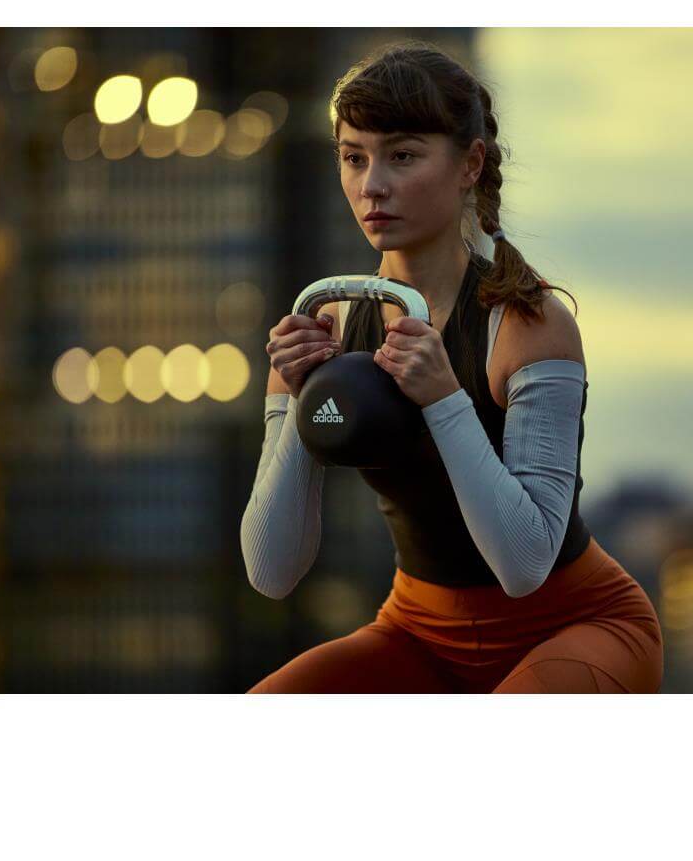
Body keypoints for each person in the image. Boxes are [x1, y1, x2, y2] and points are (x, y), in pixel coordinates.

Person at [241, 40, 663, 693]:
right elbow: (271, 572)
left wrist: (442, 397)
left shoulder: (528, 323)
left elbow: (524, 565)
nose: (371, 185)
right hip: (419, 631)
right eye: (354, 158)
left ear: (470, 164)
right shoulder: (324, 326)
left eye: (402, 156)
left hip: (575, 625)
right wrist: (302, 406)